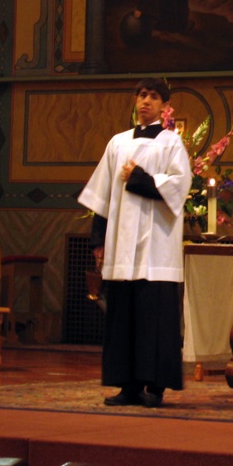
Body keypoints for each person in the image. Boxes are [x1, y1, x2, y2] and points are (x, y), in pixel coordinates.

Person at [78, 78, 192, 408]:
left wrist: (139, 178)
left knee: (154, 318)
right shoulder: (118, 143)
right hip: (122, 243)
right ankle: (127, 385)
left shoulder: (172, 143)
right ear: (135, 100)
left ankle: (154, 387)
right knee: (124, 315)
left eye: (154, 97)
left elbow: (179, 186)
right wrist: (98, 241)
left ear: (164, 106)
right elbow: (102, 196)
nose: (146, 102)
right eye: (142, 95)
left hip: (156, 245)